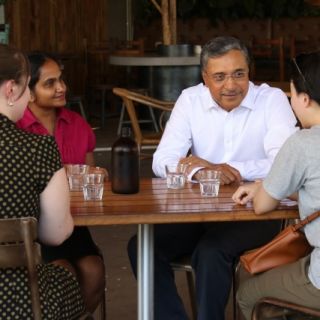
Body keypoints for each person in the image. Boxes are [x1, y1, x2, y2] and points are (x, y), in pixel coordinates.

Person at [127, 36, 298, 320]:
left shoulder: (272, 100)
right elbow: (163, 160)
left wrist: (227, 168)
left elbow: (284, 163)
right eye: (219, 77)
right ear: (205, 78)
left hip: (255, 211)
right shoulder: (190, 99)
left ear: (249, 71)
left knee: (210, 253)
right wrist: (202, 171)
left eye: (238, 74)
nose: (230, 85)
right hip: (199, 213)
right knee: (143, 247)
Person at [232, 51, 320, 319]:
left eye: (291, 94)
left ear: (304, 99)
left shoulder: (303, 143)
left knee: (248, 293)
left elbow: (262, 206)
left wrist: (262, 189)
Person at [0, 44, 85, 318]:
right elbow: (55, 233)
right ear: (11, 90)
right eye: (26, 89)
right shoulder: (37, 148)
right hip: (18, 298)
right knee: (66, 278)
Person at [16, 52, 105, 313]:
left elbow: (89, 172)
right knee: (61, 271)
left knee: (93, 269)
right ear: (28, 92)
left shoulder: (78, 124)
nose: (61, 88)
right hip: (33, 225)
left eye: (61, 80)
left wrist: (97, 174)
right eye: (50, 83)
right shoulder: (16, 128)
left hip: (75, 221)